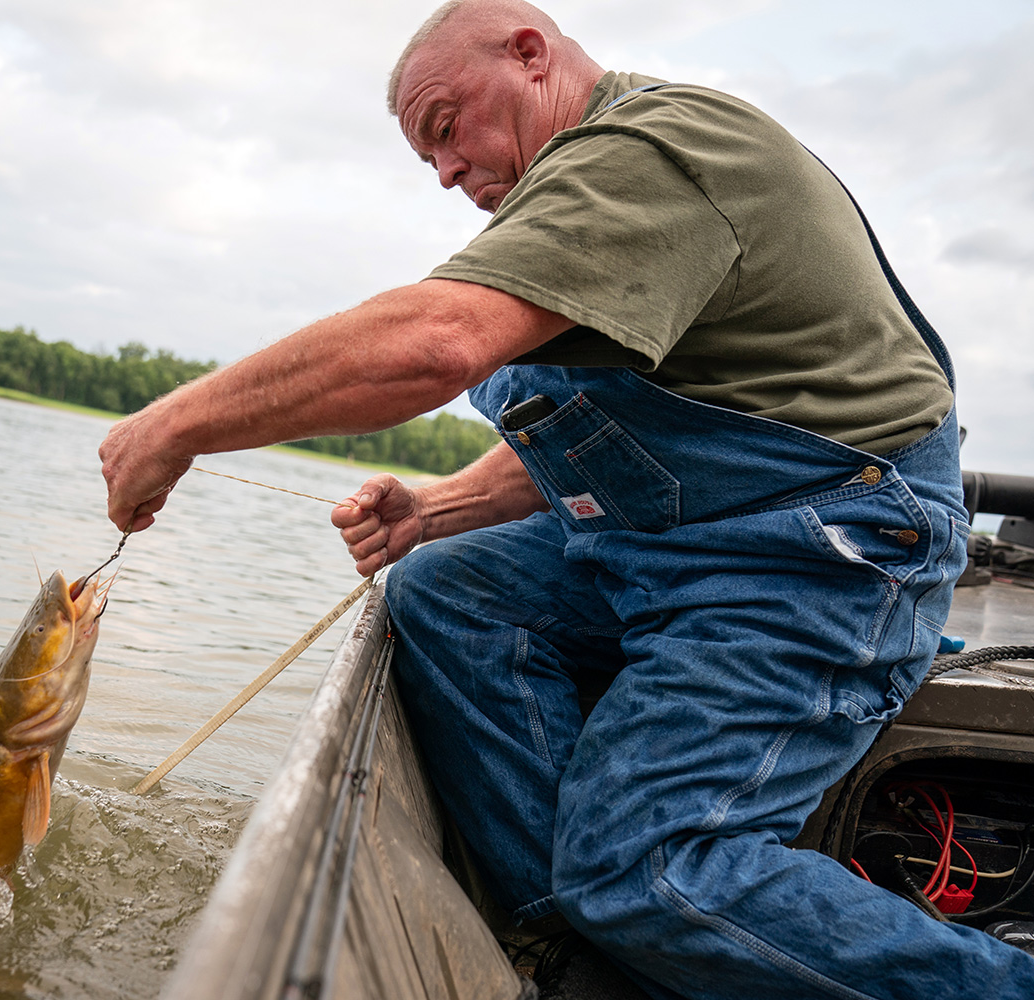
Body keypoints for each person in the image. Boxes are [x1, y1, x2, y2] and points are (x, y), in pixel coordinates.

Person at [99, 1, 1034, 996]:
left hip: (823, 555)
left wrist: (176, 424)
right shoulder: (588, 217)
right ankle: (576, 936)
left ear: (531, 52)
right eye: (430, 161)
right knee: (447, 591)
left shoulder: (652, 150)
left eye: (446, 127)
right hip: (683, 544)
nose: (449, 171)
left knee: (648, 864)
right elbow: (633, 440)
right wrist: (435, 511)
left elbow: (437, 342)